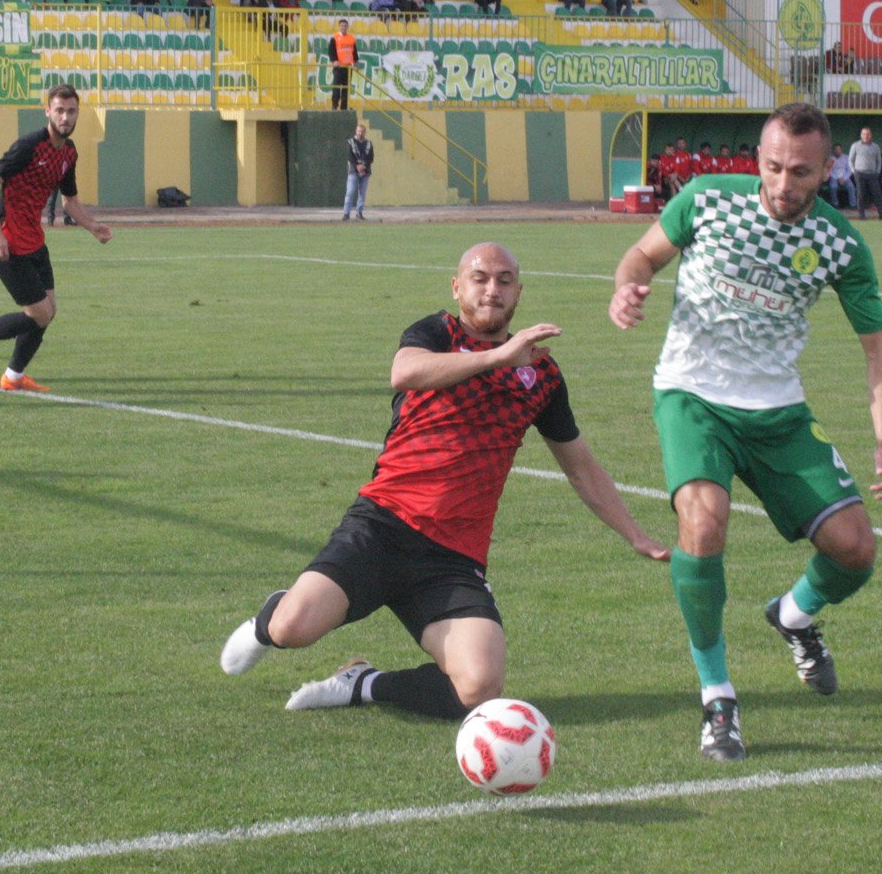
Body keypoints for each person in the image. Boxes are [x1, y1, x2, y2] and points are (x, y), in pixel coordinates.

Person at [219, 242, 667, 718]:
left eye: (504, 280)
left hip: (452, 558)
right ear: (457, 287)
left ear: (519, 293)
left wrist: (635, 534)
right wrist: (498, 358)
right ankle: (272, 619)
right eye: (480, 278)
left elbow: (580, 466)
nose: (492, 289)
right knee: (293, 629)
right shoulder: (436, 332)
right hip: (381, 527)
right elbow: (404, 372)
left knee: (480, 686)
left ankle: (364, 684)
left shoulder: (542, 375)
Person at [609, 102, 882, 761]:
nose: (781, 184)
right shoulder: (706, 198)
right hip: (692, 394)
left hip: (776, 408)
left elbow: (878, 348)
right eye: (771, 166)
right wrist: (626, 288)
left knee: (854, 548)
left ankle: (792, 615)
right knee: (704, 519)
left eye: (799, 171)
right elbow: (641, 254)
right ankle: (717, 697)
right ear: (758, 160)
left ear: (825, 167)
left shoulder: (839, 242)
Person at [0, 84, 112, 394]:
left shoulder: (68, 153)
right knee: (39, 313)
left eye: (71, 111)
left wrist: (93, 226)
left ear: (77, 114)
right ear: (48, 111)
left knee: (48, 312)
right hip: (8, 242)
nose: (65, 117)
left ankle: (13, 376)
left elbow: (70, 201)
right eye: (59, 110)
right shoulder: (29, 146)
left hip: (34, 241)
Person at [848, 126, 882, 221]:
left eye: (868, 134)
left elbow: (879, 160)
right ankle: (862, 216)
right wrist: (854, 171)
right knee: (861, 195)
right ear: (861, 135)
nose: (866, 136)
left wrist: (877, 172)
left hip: (872, 174)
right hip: (859, 173)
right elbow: (850, 159)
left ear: (871, 135)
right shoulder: (855, 145)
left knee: (877, 194)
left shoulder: (876, 146)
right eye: (864, 134)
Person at [343, 121, 373, 221]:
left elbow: (371, 157)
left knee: (362, 194)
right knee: (350, 192)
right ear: (356, 131)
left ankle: (359, 213)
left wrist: (363, 166)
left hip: (365, 172)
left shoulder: (369, 143)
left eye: (362, 131)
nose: (360, 133)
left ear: (365, 132)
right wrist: (357, 166)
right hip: (353, 172)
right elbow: (349, 156)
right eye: (359, 131)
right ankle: (346, 213)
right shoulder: (350, 142)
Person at [329, 19, 358, 111]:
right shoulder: (335, 38)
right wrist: (334, 61)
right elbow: (331, 51)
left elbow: (354, 52)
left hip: (348, 67)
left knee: (346, 88)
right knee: (336, 87)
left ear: (347, 27)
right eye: (342, 25)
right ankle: (334, 105)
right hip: (339, 67)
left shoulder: (351, 38)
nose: (343, 27)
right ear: (339, 27)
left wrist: (356, 62)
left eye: (345, 26)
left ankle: (344, 107)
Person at [826, 142, 855, 209]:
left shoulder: (846, 157)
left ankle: (853, 205)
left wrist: (843, 178)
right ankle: (835, 204)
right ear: (833, 150)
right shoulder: (830, 158)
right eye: (835, 149)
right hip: (834, 176)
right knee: (833, 186)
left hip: (845, 176)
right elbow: (829, 170)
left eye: (839, 149)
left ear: (841, 150)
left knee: (851, 186)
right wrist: (837, 178)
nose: (837, 151)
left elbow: (849, 170)